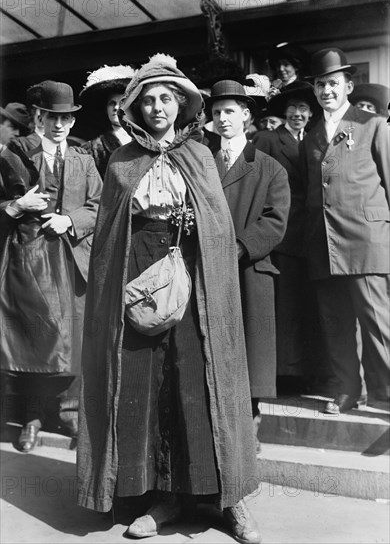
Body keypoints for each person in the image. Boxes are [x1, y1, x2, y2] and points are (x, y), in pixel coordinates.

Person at [77, 54, 261, 544]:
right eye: (148, 100)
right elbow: (109, 238)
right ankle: (161, 498)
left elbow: (219, 230)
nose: (157, 107)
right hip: (136, 276)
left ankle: (226, 498)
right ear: (134, 108)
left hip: (194, 278)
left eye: (166, 98)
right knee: (148, 384)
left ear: (181, 104)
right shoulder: (121, 161)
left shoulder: (199, 155)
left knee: (200, 379)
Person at [0, 81, 102, 451]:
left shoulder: (84, 159)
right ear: (38, 118)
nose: (59, 125)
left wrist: (71, 220)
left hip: (73, 258)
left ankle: (71, 413)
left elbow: (99, 204)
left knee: (74, 338)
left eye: (66, 118)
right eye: (51, 117)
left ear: (72, 122)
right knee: (35, 339)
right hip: (31, 259)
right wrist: (16, 207)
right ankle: (32, 416)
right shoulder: (13, 154)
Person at [300, 47, 390, 414]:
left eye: (333, 83)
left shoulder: (373, 125)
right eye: (321, 84)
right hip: (324, 241)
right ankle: (348, 390)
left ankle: (386, 392)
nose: (327, 90)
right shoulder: (311, 134)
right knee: (336, 323)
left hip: (366, 239)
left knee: (377, 322)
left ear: (348, 85)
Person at [204, 79, 290, 438]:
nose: (222, 119)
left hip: (249, 266)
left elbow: (274, 220)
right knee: (215, 343)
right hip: (207, 266)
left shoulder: (269, 167)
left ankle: (249, 423)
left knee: (250, 347)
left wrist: (239, 247)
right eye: (216, 113)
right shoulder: (203, 161)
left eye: (229, 112)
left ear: (246, 116)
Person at [252, 82, 331, 393]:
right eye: (292, 109)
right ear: (283, 113)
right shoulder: (269, 139)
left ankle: (309, 373)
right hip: (281, 235)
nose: (298, 114)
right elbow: (256, 183)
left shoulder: (315, 141)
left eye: (304, 109)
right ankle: (284, 376)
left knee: (307, 307)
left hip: (312, 237)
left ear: (311, 113)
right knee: (285, 307)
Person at [80, 64, 135, 178]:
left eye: (121, 102)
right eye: (112, 103)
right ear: (105, 109)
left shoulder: (144, 141)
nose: (116, 107)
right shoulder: (92, 149)